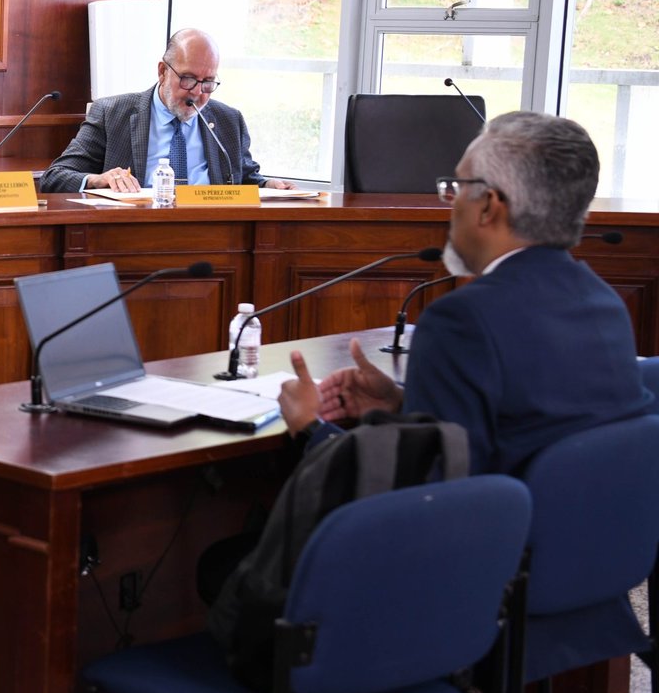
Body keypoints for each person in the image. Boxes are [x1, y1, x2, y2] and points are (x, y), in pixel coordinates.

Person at [277, 111, 655, 473]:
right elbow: (532, 432)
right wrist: (403, 405)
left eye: (457, 188)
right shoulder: (605, 304)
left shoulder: (462, 320)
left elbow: (423, 494)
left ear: (488, 206)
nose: (450, 202)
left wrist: (311, 427)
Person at [38, 28, 294, 193]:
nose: (197, 92)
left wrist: (269, 185)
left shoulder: (228, 120)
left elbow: (243, 178)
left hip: (211, 234)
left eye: (208, 82)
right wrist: (99, 180)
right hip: (134, 233)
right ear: (162, 71)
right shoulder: (112, 113)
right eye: (188, 79)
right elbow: (55, 178)